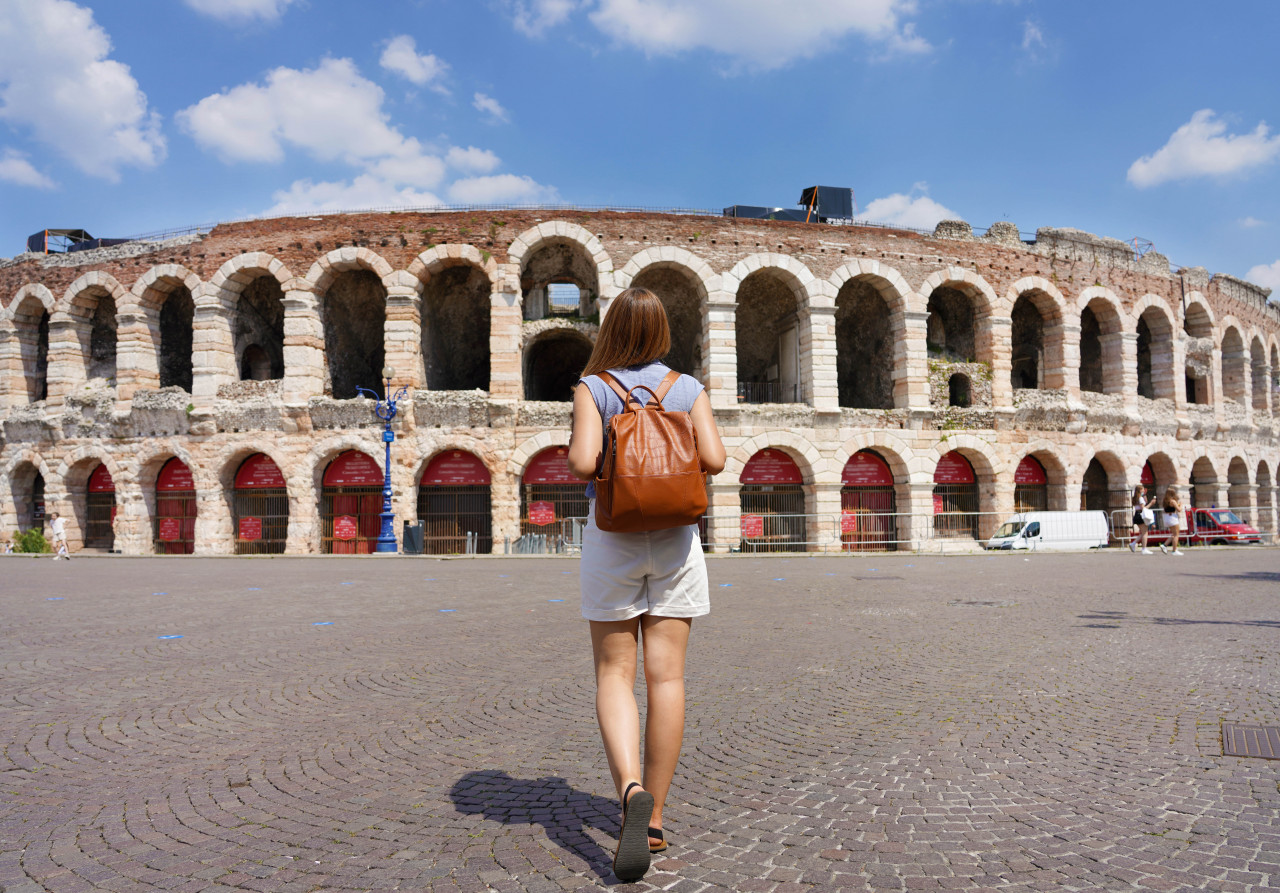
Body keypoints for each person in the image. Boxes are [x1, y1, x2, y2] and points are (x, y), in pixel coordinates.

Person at [567, 287, 726, 883]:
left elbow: (583, 464)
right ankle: (654, 817)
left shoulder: (594, 387)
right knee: (668, 677)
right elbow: (715, 457)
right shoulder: (686, 387)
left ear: (612, 329)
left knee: (614, 674)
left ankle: (628, 789)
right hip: (676, 539)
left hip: (613, 537)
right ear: (661, 331)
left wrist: (608, 441)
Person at [1129, 484, 1157, 554]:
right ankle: (1144, 548)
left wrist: (1145, 496)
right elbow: (1143, 508)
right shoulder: (1140, 498)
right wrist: (1151, 503)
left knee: (1143, 532)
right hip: (1141, 515)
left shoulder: (1135, 498)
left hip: (1137, 514)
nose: (1143, 491)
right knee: (1145, 533)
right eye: (1142, 490)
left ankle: (1133, 543)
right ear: (1139, 490)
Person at [1160, 487, 1184, 555]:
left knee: (1173, 534)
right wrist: (1181, 505)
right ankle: (1174, 550)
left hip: (1167, 518)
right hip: (1172, 517)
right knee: (1176, 534)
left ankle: (1164, 545)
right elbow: (1179, 509)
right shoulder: (1172, 501)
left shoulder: (1165, 501)